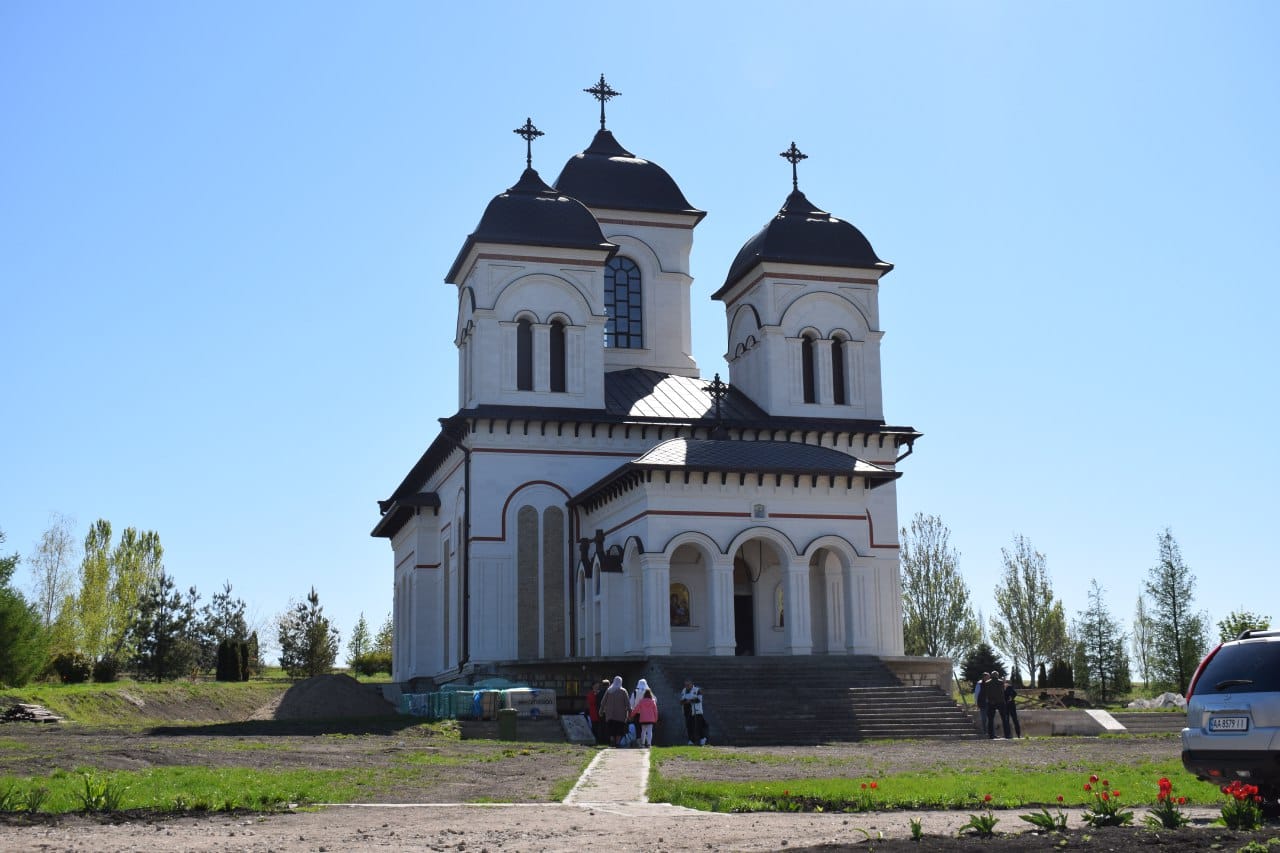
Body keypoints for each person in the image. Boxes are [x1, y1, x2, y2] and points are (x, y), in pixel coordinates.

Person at [600, 675, 632, 747]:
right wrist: (630, 713)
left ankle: (612, 741)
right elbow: (628, 703)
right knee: (619, 730)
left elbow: (603, 702)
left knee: (611, 729)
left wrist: (601, 711)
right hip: (621, 716)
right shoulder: (623, 691)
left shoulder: (609, 690)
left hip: (610, 715)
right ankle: (617, 743)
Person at [680, 678, 706, 745]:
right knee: (689, 726)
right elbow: (681, 701)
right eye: (685, 685)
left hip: (697, 711)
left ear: (691, 684)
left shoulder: (697, 690)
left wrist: (689, 701)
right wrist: (688, 700)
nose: (687, 686)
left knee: (698, 726)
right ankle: (691, 740)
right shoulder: (684, 690)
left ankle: (702, 738)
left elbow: (699, 699)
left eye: (688, 685)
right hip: (687, 711)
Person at [983, 672, 1008, 739]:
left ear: (991, 676)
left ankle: (991, 735)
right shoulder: (1001, 682)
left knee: (990, 719)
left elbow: (986, 693)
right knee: (1004, 719)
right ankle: (1007, 734)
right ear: (997, 675)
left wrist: (990, 699)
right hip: (1000, 702)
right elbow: (1003, 691)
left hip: (991, 702)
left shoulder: (987, 683)